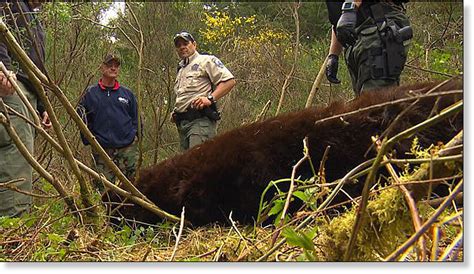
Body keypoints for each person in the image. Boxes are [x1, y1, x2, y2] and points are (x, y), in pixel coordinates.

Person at [0, 1, 51, 217]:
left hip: (28, 91)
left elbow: (37, 65)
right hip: (11, 86)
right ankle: (13, 224)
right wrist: (3, 67)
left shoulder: (33, 18)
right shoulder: (11, 3)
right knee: (17, 153)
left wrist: (42, 104)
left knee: (24, 154)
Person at [77, 53, 139, 192]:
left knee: (134, 188)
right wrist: (90, 140)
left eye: (116, 65)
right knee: (102, 191)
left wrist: (134, 136)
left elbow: (136, 119)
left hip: (127, 149)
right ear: (102, 67)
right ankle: (107, 214)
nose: (113, 68)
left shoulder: (127, 94)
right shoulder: (90, 93)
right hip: (102, 150)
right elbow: (81, 118)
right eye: (109, 65)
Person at [325, 0, 412, 96]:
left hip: (377, 24)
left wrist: (350, 8)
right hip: (355, 35)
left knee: (376, 102)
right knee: (364, 103)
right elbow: (339, 21)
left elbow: (347, 12)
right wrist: (333, 55)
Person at [171, 31, 236, 150]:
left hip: (199, 122)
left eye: (185, 43)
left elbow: (229, 81)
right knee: (185, 166)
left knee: (197, 163)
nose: (182, 47)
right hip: (183, 124)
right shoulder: (181, 69)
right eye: (178, 45)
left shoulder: (206, 60)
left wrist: (210, 99)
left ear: (194, 44)